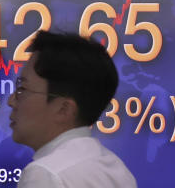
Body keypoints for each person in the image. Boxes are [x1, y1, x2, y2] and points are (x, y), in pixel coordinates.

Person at [8, 30, 137, 188]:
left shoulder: (46, 174)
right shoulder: (118, 170)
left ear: (64, 109)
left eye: (23, 89)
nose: (11, 101)